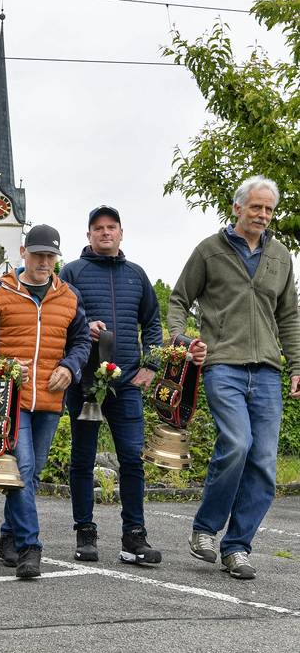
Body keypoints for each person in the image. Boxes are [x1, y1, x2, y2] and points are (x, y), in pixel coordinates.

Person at [168, 175, 300, 580]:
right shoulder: (209, 251)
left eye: (269, 209)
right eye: (256, 207)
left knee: (263, 462)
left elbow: (289, 316)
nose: (263, 215)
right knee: (238, 443)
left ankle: (238, 547)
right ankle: (206, 529)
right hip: (222, 364)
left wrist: (297, 366)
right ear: (238, 207)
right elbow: (177, 300)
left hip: (266, 371)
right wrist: (182, 339)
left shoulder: (280, 257)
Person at [0, 224, 90, 578]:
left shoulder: (69, 296)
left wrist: (71, 365)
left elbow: (82, 342)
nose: (44, 262)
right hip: (9, 399)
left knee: (29, 478)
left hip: (49, 399)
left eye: (50, 256)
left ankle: (8, 537)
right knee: (24, 468)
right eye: (37, 255)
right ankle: (30, 548)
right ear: (23, 253)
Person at [61, 205, 174, 566]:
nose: (105, 233)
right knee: (82, 459)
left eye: (112, 227)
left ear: (121, 233)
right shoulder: (71, 272)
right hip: (85, 384)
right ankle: (86, 533)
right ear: (89, 235)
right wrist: (84, 325)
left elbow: (153, 325)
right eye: (98, 228)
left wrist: (152, 365)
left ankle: (133, 537)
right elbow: (60, 321)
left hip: (125, 384)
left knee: (132, 459)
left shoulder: (137, 275)